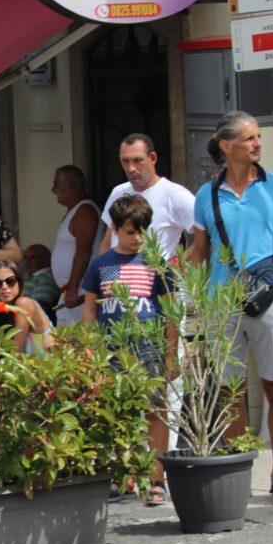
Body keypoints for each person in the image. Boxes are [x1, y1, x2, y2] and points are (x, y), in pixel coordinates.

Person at [190, 110, 273, 498]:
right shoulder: (205, 196)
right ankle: (240, 473)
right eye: (250, 138)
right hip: (221, 304)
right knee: (229, 391)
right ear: (227, 146)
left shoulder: (271, 186)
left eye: (258, 137)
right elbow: (199, 252)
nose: (258, 143)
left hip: (269, 301)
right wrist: (188, 299)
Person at [83, 194, 177, 505]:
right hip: (112, 349)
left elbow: (170, 312)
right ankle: (122, 475)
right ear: (114, 228)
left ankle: (156, 479)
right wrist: (90, 350)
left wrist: (171, 354)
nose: (137, 238)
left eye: (142, 231)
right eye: (130, 231)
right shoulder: (102, 264)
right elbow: (91, 310)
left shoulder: (155, 263)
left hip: (149, 347)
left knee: (155, 410)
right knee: (116, 413)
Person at [100, 133, 195, 260]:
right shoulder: (118, 192)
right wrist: (102, 269)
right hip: (115, 271)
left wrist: (176, 267)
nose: (131, 168)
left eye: (137, 160)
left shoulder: (175, 195)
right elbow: (108, 240)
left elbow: (206, 235)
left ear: (153, 158)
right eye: (125, 161)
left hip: (154, 271)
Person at [51, 165, 105, 326]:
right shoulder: (75, 211)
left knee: (79, 338)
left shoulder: (85, 211)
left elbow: (83, 251)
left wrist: (73, 288)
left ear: (68, 186)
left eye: (56, 184)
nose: (53, 190)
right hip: (70, 293)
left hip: (79, 293)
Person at [0, 261, 54, 355]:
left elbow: (16, 352)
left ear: (19, 282)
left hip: (47, 364)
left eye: (10, 281)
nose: (4, 287)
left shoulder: (24, 303)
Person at [22, 244, 61, 325]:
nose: (27, 262)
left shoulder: (46, 279)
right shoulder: (29, 275)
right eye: (25, 258)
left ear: (46, 260)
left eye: (33, 258)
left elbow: (39, 308)